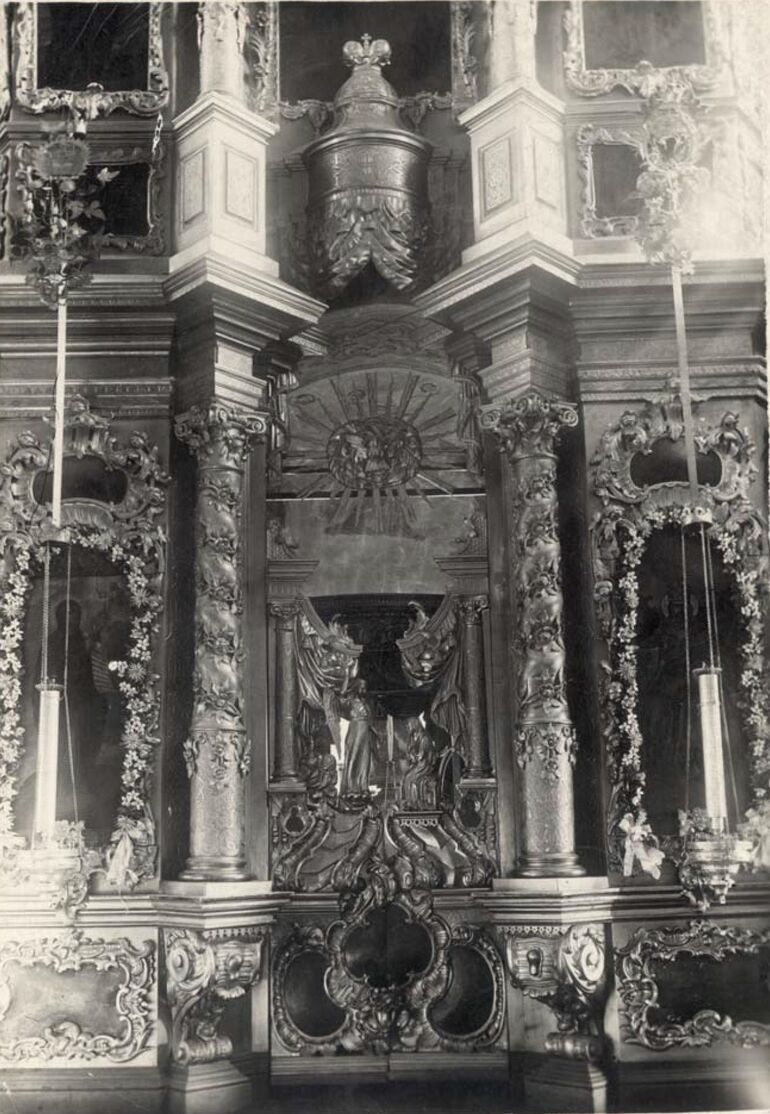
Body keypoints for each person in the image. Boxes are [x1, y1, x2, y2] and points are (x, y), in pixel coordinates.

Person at [340, 679, 377, 796]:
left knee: (365, 760)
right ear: (356, 688)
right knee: (354, 758)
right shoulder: (351, 702)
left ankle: (363, 786)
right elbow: (341, 699)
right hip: (355, 732)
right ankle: (351, 787)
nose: (364, 690)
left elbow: (370, 723)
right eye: (361, 688)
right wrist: (346, 678)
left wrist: (376, 733)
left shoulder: (366, 705)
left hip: (365, 734)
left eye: (365, 688)